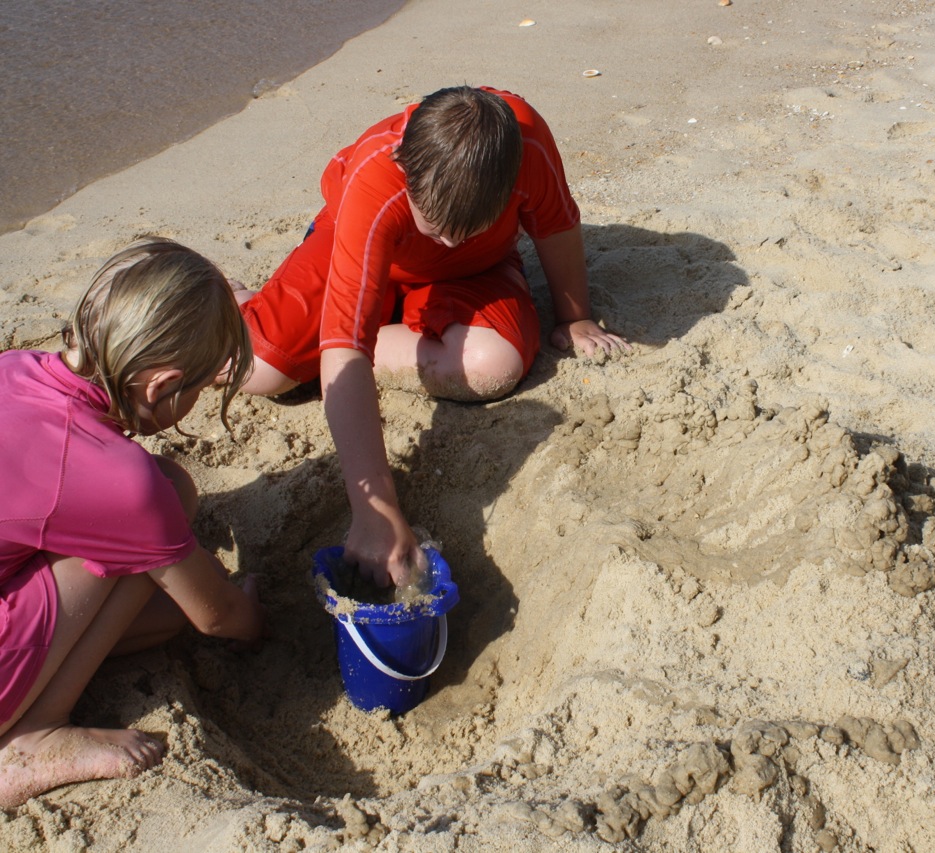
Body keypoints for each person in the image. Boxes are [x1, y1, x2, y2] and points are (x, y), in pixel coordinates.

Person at [237, 85, 628, 589]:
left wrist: (575, 316)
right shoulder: (377, 173)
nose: (449, 242)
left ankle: (358, 329)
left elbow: (555, 226)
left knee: (492, 365)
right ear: (404, 166)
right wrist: (376, 510)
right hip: (370, 249)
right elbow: (347, 345)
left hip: (474, 271)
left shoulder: (526, 145)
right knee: (260, 370)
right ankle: (238, 299)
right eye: (438, 229)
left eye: (466, 230)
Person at [0, 239, 267, 808]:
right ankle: (35, 736)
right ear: (161, 386)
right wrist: (259, 619)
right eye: (200, 389)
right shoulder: (118, 480)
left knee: (167, 503)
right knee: (149, 524)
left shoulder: (16, 367)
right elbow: (219, 617)